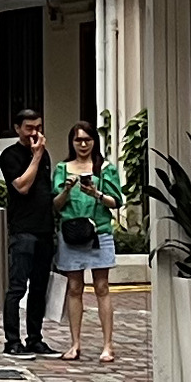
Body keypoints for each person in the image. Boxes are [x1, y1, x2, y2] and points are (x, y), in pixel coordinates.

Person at [51, 120, 122, 365]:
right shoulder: (62, 168)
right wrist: (67, 190)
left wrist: (96, 194)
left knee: (102, 286)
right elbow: (56, 205)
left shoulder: (105, 169)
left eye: (87, 140)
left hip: (98, 231)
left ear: (94, 142)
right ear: (71, 142)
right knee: (74, 288)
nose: (83, 144)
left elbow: (117, 202)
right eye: (78, 140)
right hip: (71, 232)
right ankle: (75, 343)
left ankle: (107, 345)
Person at [0, 108, 59, 356]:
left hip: (45, 229)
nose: (35, 132)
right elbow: (22, 187)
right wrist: (35, 157)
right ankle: (12, 341)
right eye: (29, 128)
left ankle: (35, 337)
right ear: (17, 129)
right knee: (17, 287)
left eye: (38, 127)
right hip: (23, 230)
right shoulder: (10, 155)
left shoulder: (45, 156)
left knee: (39, 288)